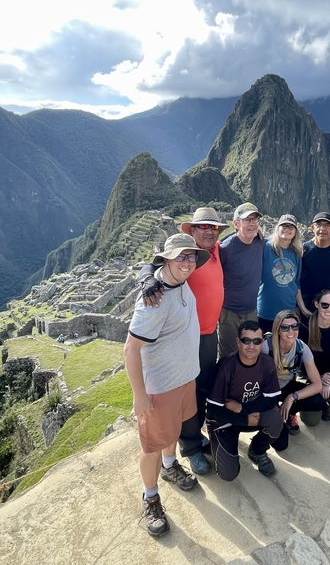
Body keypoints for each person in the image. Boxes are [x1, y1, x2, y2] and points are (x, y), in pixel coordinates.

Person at [124, 233, 209, 538]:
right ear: (167, 260)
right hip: (160, 386)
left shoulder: (177, 281)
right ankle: (150, 498)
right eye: (180, 257)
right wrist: (140, 396)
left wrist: (147, 274)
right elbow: (130, 349)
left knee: (171, 431)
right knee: (151, 446)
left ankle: (170, 466)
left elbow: (150, 268)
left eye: (191, 257)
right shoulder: (153, 301)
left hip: (184, 378)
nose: (187, 263)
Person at [136, 207, 229, 476]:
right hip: (187, 339)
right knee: (187, 392)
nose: (210, 231)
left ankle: (195, 435)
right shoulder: (184, 258)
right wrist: (145, 281)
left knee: (200, 390)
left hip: (209, 333)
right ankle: (189, 447)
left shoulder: (215, 252)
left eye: (214, 227)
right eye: (204, 227)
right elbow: (150, 265)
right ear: (192, 231)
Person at [206, 321, 283, 480]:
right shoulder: (226, 366)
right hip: (224, 422)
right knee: (228, 475)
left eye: (256, 341)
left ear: (262, 342)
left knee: (276, 419)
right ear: (238, 342)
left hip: (247, 415)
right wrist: (242, 419)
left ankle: (257, 450)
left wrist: (242, 409)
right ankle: (222, 447)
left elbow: (271, 399)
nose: (251, 346)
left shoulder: (266, 362)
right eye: (246, 340)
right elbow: (213, 410)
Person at [261, 310, 324, 439]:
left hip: (285, 387)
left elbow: (318, 385)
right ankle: (271, 417)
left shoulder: (302, 348)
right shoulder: (266, 347)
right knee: (281, 440)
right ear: (277, 330)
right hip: (266, 391)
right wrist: (273, 406)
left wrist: (292, 397)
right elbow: (256, 380)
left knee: (318, 401)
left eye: (295, 326)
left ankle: (290, 411)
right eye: (285, 327)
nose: (291, 331)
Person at [218, 202, 265, 358]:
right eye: (247, 220)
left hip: (251, 311)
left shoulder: (259, 242)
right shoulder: (225, 249)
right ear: (236, 223)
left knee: (250, 354)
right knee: (229, 356)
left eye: (255, 219)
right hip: (229, 313)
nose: (252, 224)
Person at [299, 290, 330, 423]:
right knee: (311, 421)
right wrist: (317, 379)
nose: (329, 309)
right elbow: (298, 361)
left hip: (329, 375)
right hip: (308, 375)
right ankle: (316, 400)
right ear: (316, 304)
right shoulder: (304, 326)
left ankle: (329, 403)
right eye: (325, 305)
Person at [299, 212, 330, 324]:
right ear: (312, 227)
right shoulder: (303, 250)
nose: (323, 228)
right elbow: (296, 280)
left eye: (327, 225)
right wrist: (299, 306)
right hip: (307, 306)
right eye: (319, 225)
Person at [257, 214, 303, 334]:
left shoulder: (296, 254)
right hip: (266, 311)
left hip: (288, 314)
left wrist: (302, 308)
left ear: (295, 232)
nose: (287, 229)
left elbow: (296, 284)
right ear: (278, 228)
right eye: (284, 226)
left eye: (291, 227)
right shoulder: (265, 248)